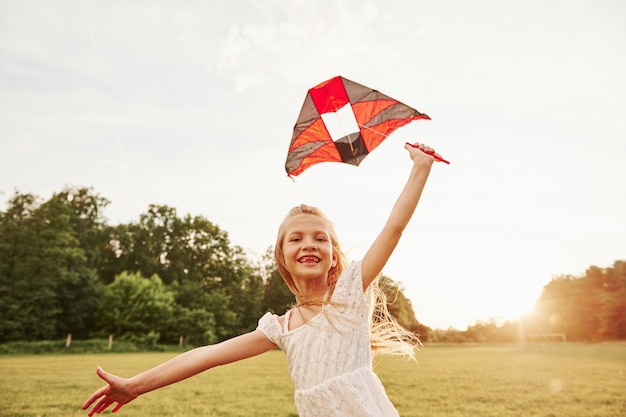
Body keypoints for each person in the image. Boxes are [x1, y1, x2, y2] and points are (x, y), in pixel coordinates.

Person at [82, 142, 439, 417]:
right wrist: (135, 386)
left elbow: (393, 228)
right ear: (282, 257)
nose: (308, 244)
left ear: (333, 254)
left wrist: (420, 167)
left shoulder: (348, 294)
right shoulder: (279, 328)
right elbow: (208, 355)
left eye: (320, 237)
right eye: (296, 239)